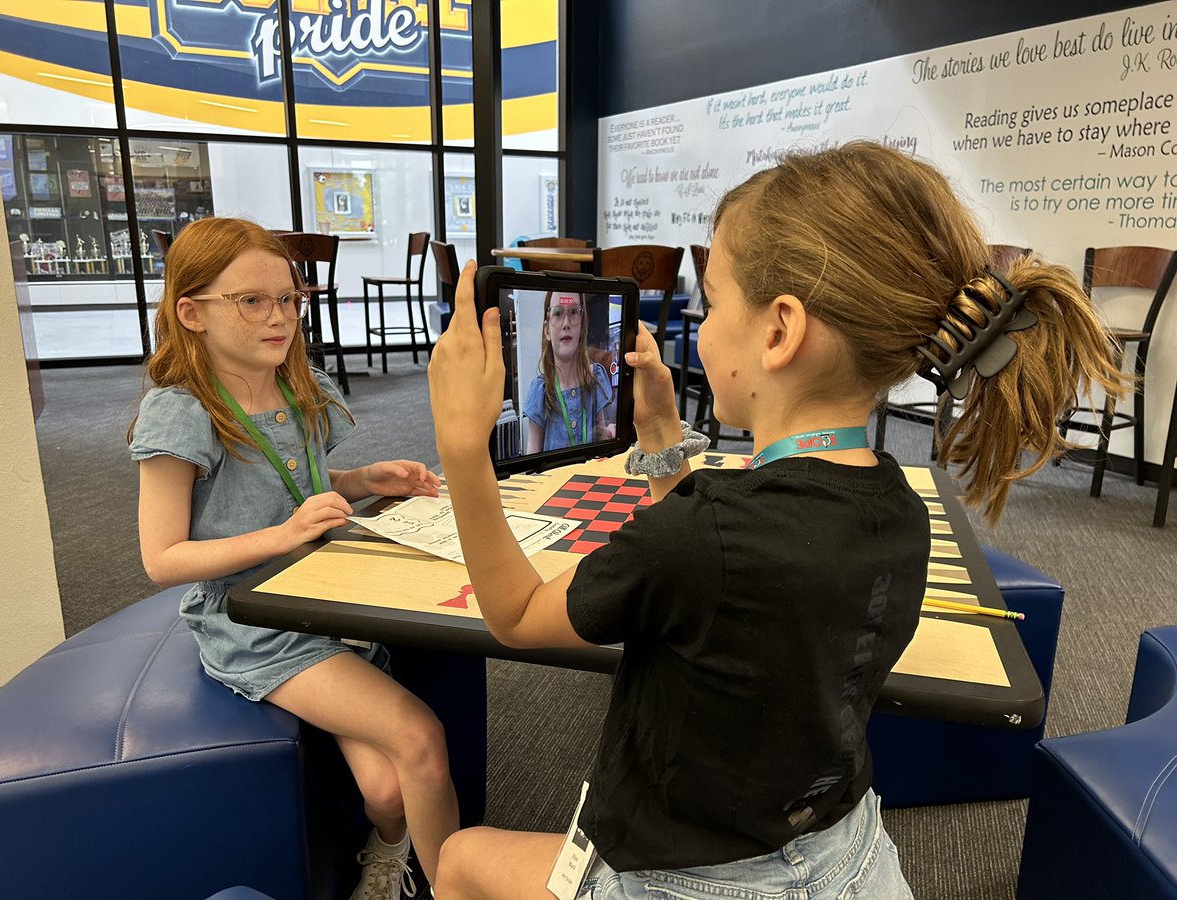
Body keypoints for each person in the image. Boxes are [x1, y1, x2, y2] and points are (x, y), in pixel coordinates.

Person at [424, 141, 1127, 899]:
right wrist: (661, 434)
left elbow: (518, 614)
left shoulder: (707, 536)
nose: (703, 320)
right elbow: (723, 579)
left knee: (461, 858)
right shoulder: (901, 504)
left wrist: (464, 450)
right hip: (847, 856)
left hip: (693, 882)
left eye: (716, 298)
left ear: (779, 331)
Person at [128, 217, 458, 900]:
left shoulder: (301, 389)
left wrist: (364, 482)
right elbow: (161, 558)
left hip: (326, 595)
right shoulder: (181, 413)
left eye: (289, 299)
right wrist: (286, 534)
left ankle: (390, 853)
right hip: (256, 621)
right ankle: (458, 888)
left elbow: (300, 485)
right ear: (191, 312)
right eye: (252, 301)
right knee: (420, 740)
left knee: (390, 790)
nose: (279, 317)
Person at [523, 290, 616, 454]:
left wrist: (608, 434)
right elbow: (532, 456)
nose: (566, 323)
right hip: (553, 479)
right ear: (547, 331)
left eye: (573, 312)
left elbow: (601, 438)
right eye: (558, 313)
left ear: (582, 324)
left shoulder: (595, 378)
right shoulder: (540, 391)